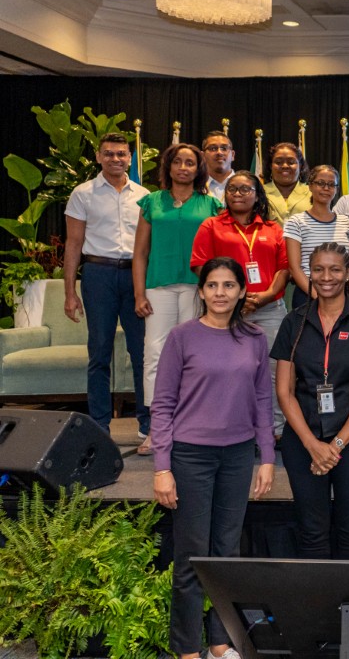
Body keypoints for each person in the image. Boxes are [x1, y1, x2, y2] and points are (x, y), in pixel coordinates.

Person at [151, 256, 274, 659]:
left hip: (237, 457)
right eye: (213, 285)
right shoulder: (182, 337)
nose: (220, 293)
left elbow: (263, 400)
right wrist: (162, 468)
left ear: (242, 291)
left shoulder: (255, 338)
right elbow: (162, 405)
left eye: (229, 285)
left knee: (226, 555)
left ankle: (221, 643)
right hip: (191, 458)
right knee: (191, 557)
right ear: (201, 291)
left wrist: (266, 458)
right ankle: (188, 649)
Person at [271, 243, 349, 558]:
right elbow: (284, 391)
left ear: (348, 273)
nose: (326, 277)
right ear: (309, 274)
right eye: (319, 269)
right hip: (303, 438)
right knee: (311, 532)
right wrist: (312, 445)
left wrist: (335, 446)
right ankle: (316, 594)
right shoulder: (293, 322)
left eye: (335, 269)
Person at [133, 143, 222, 456]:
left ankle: (188, 426)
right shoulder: (151, 202)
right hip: (158, 287)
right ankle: (156, 429)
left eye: (190, 163)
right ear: (168, 166)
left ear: (199, 169)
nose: (184, 168)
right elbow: (140, 253)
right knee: (154, 353)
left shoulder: (211, 204)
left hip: (197, 289)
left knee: (194, 357)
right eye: (178, 162)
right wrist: (139, 293)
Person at [63, 132, 150, 438]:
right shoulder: (83, 193)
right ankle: (99, 426)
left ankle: (147, 424)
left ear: (130, 158)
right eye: (109, 153)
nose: (116, 159)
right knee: (99, 352)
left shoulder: (144, 195)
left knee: (142, 353)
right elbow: (73, 244)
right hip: (98, 275)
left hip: (135, 276)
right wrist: (70, 292)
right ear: (99, 157)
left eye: (121, 154)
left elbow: (149, 245)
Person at [190, 171, 289, 433]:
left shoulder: (272, 228)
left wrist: (267, 295)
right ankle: (229, 426)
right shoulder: (211, 225)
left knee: (274, 371)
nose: (238, 194)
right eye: (232, 189)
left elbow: (284, 268)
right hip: (225, 311)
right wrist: (232, 297)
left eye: (245, 189)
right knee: (226, 370)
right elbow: (201, 265)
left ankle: (275, 429)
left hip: (269, 309)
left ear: (257, 195)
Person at [284, 165, 349, 309]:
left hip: (341, 294)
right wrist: (319, 297)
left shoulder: (347, 222)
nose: (326, 188)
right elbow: (294, 268)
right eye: (320, 183)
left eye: (331, 184)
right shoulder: (296, 222)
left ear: (336, 189)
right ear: (310, 186)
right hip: (308, 294)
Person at [263, 142, 311, 225]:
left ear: (300, 166)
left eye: (291, 162)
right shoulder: (259, 192)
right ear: (270, 166)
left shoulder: (312, 192)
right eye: (278, 162)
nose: (285, 166)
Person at [202, 131, 235, 201]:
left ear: (232, 155)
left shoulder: (247, 186)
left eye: (224, 148)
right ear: (203, 156)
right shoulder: (195, 187)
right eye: (213, 148)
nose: (219, 152)